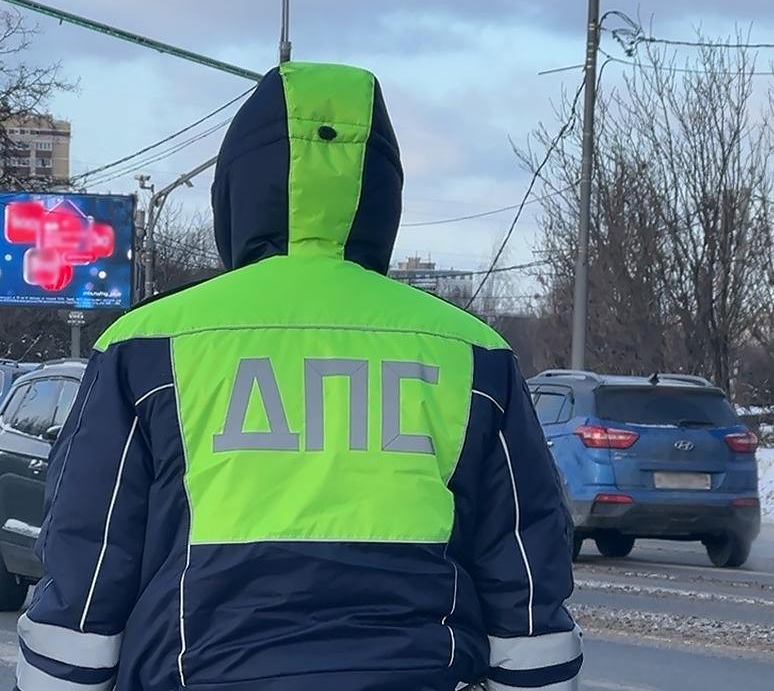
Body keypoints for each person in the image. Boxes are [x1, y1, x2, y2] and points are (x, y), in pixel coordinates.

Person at [16, 63, 581, 691]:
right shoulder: (473, 353)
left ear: (234, 191)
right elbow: (527, 579)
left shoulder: (146, 347)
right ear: (382, 194)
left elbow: (88, 568)